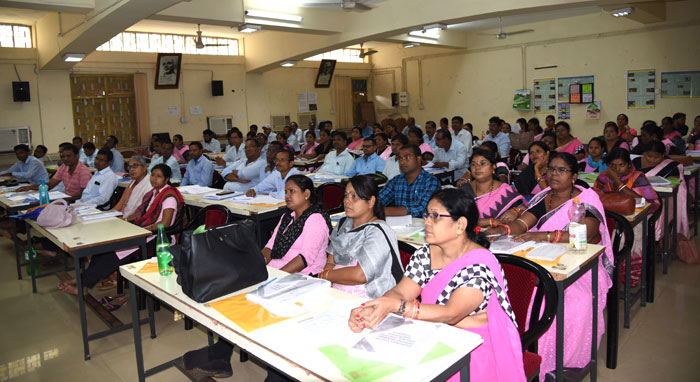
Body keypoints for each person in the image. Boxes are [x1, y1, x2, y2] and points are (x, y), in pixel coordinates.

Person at [350, 188, 525, 382]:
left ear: (460, 225)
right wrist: (375, 307)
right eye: (427, 215)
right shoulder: (426, 254)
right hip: (433, 332)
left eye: (435, 216)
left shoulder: (480, 266)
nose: (426, 222)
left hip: (474, 346)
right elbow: (402, 291)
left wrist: (396, 307)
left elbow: (450, 313)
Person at [182, 175, 332, 379]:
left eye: (292, 191)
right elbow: (269, 246)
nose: (287, 196)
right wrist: (256, 266)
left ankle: (226, 355)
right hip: (275, 272)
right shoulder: (288, 216)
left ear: (306, 194)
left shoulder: (315, 219)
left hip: (300, 279)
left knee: (249, 301)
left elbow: (304, 259)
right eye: (286, 191)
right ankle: (221, 352)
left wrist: (271, 278)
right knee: (235, 295)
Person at [489, 152, 613, 381]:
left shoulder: (586, 200)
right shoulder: (544, 197)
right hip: (542, 259)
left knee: (574, 301)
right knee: (519, 290)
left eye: (562, 170)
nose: (554, 174)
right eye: (551, 169)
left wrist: (544, 236)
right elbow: (523, 223)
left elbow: (587, 234)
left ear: (574, 176)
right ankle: (523, 353)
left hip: (579, 263)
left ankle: (560, 360)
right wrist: (502, 231)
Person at [58, 164, 183, 296]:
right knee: (103, 247)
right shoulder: (153, 193)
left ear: (167, 179)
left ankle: (83, 283)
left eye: (159, 176)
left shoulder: (168, 196)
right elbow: (140, 214)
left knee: (115, 252)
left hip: (160, 237)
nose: (154, 179)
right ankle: (83, 281)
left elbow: (165, 224)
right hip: (145, 231)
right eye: (153, 175)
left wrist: (142, 230)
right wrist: (126, 222)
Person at [321, 175, 403, 298]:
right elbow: (330, 261)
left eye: (354, 196)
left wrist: (324, 275)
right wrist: (329, 276)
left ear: (371, 202)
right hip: (336, 291)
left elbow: (360, 275)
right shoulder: (343, 224)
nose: (347, 201)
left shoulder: (377, 231)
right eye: (346, 195)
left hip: (368, 297)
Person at [594, 147, 659, 288]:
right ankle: (602, 274)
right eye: (613, 166)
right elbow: (596, 197)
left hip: (638, 215)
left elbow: (645, 202)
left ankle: (625, 273)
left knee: (624, 235)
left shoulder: (638, 177)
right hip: (611, 214)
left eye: (621, 165)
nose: (617, 169)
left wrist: (618, 183)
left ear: (629, 165)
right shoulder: (603, 177)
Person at [458, 148, 525, 228]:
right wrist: (489, 221)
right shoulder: (465, 190)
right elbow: (456, 218)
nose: (477, 167)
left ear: (493, 167)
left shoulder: (504, 190)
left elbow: (524, 210)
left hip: (499, 235)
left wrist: (516, 211)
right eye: (473, 164)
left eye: (483, 163)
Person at [379, 144, 441, 217]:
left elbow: (422, 209)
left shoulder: (430, 181)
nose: (402, 162)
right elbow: (379, 200)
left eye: (407, 157)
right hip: (399, 225)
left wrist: (383, 211)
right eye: (400, 158)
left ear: (418, 159)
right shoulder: (396, 181)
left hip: (423, 226)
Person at [17, 145, 91, 201]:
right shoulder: (63, 167)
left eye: (69, 156)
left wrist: (61, 200)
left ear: (77, 156)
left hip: (79, 202)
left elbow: (83, 195)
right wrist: (29, 188)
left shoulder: (83, 171)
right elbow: (50, 185)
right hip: (67, 199)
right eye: (63, 157)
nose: (65, 159)